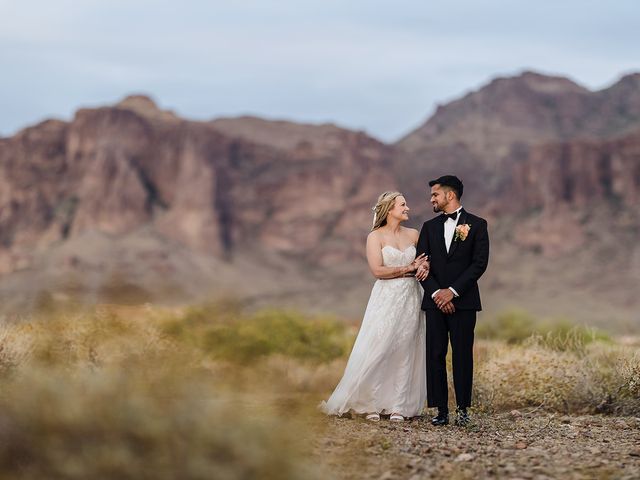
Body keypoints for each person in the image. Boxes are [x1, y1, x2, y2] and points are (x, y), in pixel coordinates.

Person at [321, 191, 429, 422]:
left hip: (411, 297)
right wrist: (409, 268)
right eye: (403, 204)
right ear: (389, 209)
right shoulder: (375, 237)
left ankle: (399, 405)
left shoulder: (414, 235)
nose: (407, 208)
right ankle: (369, 402)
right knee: (380, 347)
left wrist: (423, 267)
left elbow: (426, 260)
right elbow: (377, 270)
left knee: (406, 347)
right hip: (386, 298)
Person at [415, 175, 489, 426]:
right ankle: (441, 411)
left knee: (462, 355)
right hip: (435, 302)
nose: (431, 199)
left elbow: (479, 264)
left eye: (435, 194)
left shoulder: (478, 225)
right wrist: (438, 293)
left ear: (450, 195)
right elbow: (421, 266)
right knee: (435, 354)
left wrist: (453, 291)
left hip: (464, 302)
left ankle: (463, 410)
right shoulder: (428, 227)